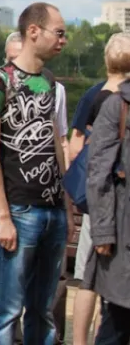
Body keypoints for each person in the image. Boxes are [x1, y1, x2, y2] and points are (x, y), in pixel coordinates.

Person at [0, 2, 72, 344]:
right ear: (34, 32)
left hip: (52, 211)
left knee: (43, 309)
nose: (63, 40)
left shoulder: (48, 82)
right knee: (7, 310)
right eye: (58, 32)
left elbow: (55, 143)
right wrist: (3, 216)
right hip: (21, 211)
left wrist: (66, 203)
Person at [71, 32, 130, 344]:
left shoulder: (94, 95)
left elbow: (74, 147)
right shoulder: (110, 103)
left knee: (91, 281)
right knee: (93, 282)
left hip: (102, 211)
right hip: (108, 213)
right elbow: (94, 166)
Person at [86, 76, 130, 344]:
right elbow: (98, 172)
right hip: (124, 238)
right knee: (118, 324)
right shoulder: (118, 105)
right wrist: (103, 233)